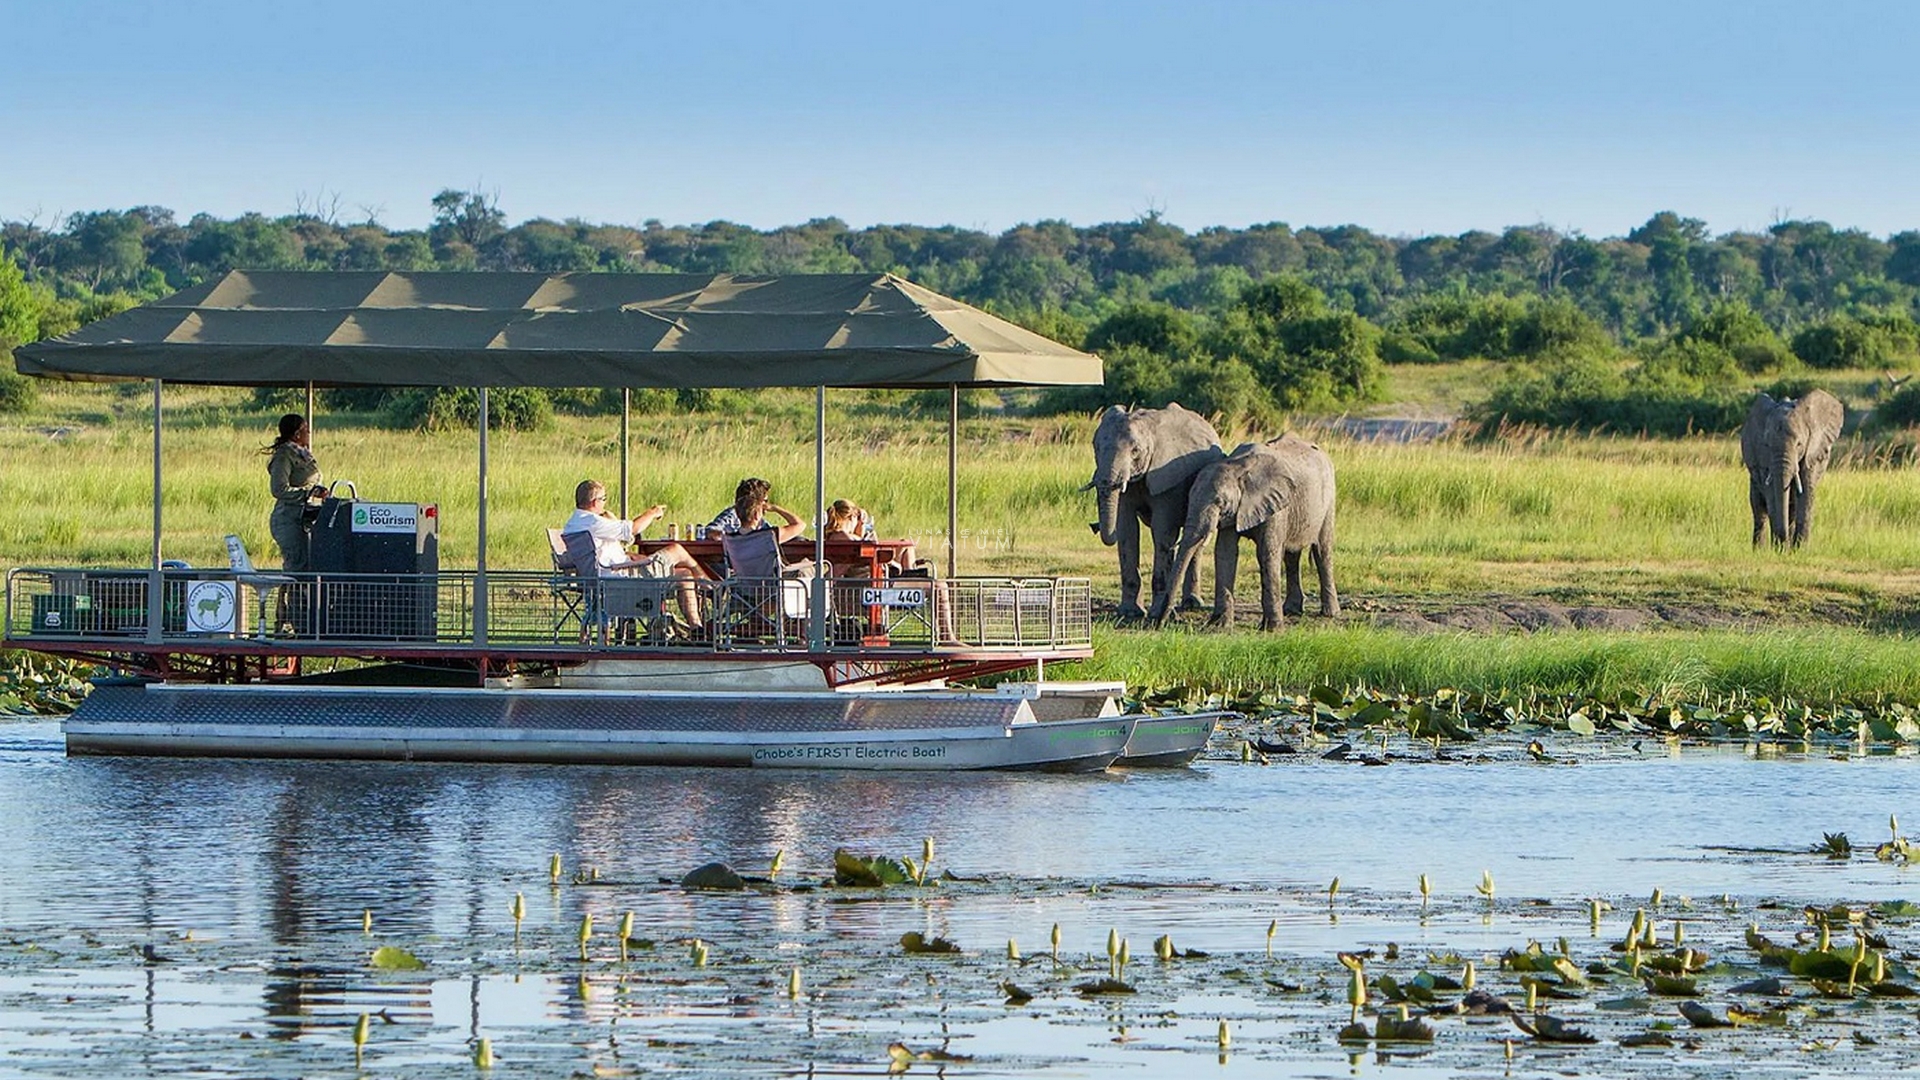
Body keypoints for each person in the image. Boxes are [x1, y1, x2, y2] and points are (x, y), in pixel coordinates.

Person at [562, 479, 712, 632]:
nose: (604, 503)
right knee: (677, 550)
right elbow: (633, 528)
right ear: (595, 502)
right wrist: (653, 512)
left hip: (610, 576)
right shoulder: (593, 522)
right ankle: (712, 588)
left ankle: (696, 628)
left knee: (684, 575)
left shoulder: (573, 524)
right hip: (623, 579)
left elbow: (605, 554)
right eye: (604, 499)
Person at [263, 413, 325, 572]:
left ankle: (304, 596)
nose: (309, 434)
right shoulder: (284, 456)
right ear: (297, 434)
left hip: (304, 518)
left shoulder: (303, 454)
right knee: (297, 565)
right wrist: (308, 493)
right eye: (306, 430)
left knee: (309, 563)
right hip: (289, 519)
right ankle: (292, 597)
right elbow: (278, 489)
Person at [705, 477, 771, 538]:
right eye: (765, 501)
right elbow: (710, 531)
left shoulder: (760, 522)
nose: (767, 505)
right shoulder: (731, 516)